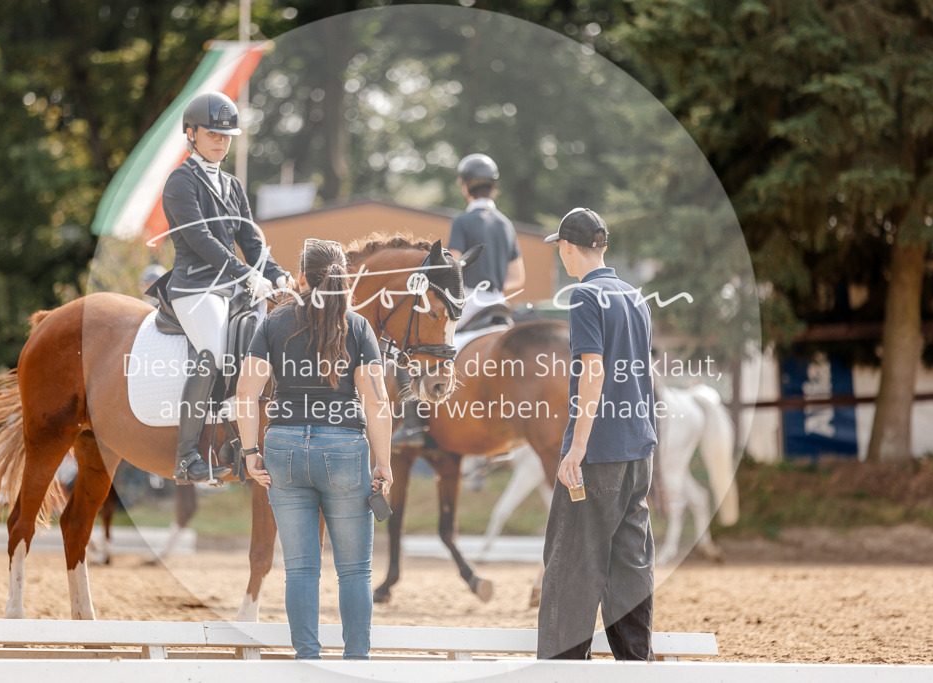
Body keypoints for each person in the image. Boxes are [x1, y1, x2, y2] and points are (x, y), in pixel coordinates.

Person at [235, 238, 393, 660]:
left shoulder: (273, 323)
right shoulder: (358, 327)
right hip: (343, 448)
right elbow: (376, 402)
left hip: (283, 447)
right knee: (355, 570)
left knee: (301, 568)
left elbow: (245, 393)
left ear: (301, 276)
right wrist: (384, 463)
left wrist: (251, 452)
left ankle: (308, 662)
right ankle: (356, 663)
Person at [537, 208, 657, 661]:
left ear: (568, 247)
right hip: (637, 451)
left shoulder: (585, 296)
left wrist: (578, 447)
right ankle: (635, 665)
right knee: (630, 565)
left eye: (560, 249)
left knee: (570, 566)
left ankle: (560, 672)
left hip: (599, 452)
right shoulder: (635, 297)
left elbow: (594, 370)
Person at [162, 91, 290, 484]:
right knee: (214, 352)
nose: (221, 142)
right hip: (196, 287)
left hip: (234, 287)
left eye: (226, 135)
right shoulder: (180, 182)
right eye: (212, 134)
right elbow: (201, 239)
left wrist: (277, 273)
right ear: (191, 134)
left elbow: (252, 242)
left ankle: (237, 438)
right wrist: (244, 274)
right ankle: (186, 458)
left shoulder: (233, 185)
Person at [390, 153, 524, 447]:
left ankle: (412, 425)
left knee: (408, 346)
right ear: (494, 187)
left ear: (464, 187)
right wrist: (496, 288)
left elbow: (454, 269)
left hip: (470, 302)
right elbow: (519, 277)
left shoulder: (463, 220)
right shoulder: (506, 224)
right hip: (499, 304)